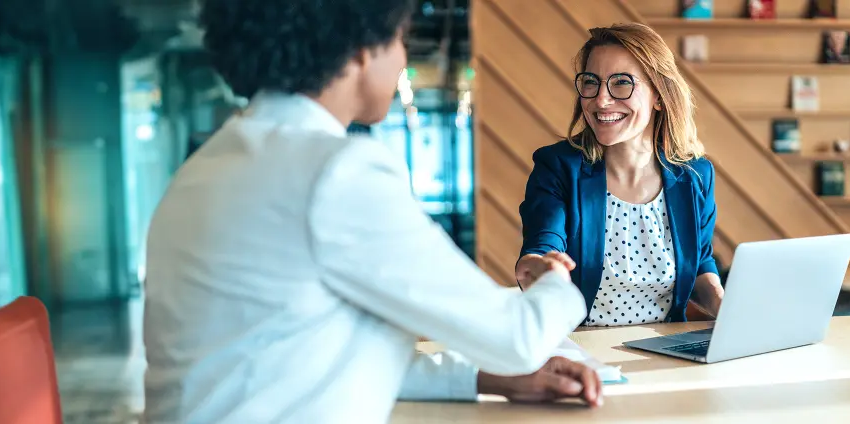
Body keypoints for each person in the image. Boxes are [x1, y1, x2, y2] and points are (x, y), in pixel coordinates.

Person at [141, 0, 600, 422]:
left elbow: (299, 358)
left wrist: (490, 380)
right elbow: (517, 339)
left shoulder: (204, 170)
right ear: (361, 48)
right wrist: (555, 282)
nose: (402, 58)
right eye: (399, 39)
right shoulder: (336, 171)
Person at [514, 23, 725, 327]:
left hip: (665, 350)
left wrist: (723, 303)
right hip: (581, 350)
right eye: (591, 82)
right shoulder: (558, 166)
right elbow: (544, 243)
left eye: (622, 83)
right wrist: (539, 266)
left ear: (659, 95)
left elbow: (701, 261)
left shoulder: (695, 175)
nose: (601, 100)